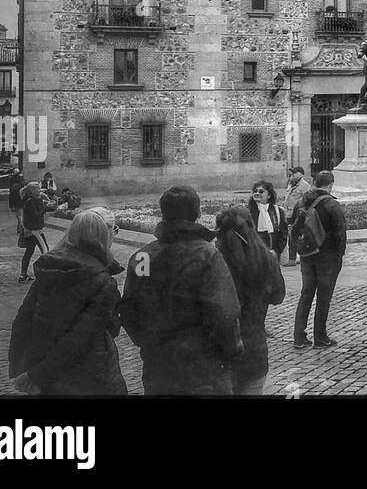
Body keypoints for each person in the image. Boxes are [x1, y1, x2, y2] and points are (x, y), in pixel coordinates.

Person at [119, 185, 242, 396]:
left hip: (158, 364)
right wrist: (232, 350)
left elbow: (130, 309)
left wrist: (149, 343)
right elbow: (223, 313)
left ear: (163, 213)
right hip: (203, 366)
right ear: (197, 213)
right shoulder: (206, 255)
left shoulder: (144, 257)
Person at [8, 207, 128, 397]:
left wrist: (23, 370)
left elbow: (22, 321)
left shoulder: (49, 267)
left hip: (46, 373)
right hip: (90, 376)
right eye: (113, 230)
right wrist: (36, 376)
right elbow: (81, 339)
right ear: (104, 236)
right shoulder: (103, 281)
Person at [214, 204, 286, 395]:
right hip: (255, 349)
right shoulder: (268, 258)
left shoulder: (213, 261)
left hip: (219, 351)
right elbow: (278, 296)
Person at [290, 169, 347, 349]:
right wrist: (339, 255)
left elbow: (294, 228)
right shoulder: (332, 205)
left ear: (315, 183)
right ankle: (320, 336)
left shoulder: (301, 202)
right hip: (327, 258)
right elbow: (340, 234)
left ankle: (299, 336)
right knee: (324, 297)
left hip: (307, 255)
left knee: (306, 294)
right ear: (330, 185)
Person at [18, 181, 53, 282]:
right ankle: (46, 272)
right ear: (33, 191)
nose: (40, 190)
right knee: (45, 250)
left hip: (32, 230)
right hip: (34, 231)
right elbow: (35, 215)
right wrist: (46, 208)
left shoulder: (33, 199)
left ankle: (23, 274)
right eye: (37, 188)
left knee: (29, 252)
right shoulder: (31, 201)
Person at [247, 180, 288, 259]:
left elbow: (283, 234)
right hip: (253, 256)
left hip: (273, 256)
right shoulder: (247, 213)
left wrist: (276, 251)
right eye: (255, 191)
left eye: (261, 191)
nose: (257, 193)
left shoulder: (278, 211)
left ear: (269, 195)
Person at [281, 166, 312, 265]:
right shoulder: (291, 184)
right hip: (288, 214)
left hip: (298, 215)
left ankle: (292, 259)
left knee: (293, 236)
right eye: (291, 174)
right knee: (291, 235)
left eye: (294, 173)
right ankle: (296, 257)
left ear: (301, 174)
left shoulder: (304, 186)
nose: (292, 176)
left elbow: (307, 201)